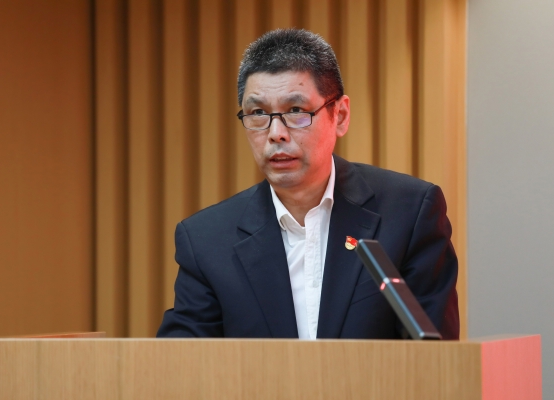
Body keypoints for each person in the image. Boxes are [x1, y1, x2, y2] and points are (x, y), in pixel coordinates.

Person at [157, 28, 459, 340]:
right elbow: (183, 361)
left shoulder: (408, 215)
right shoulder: (207, 241)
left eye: (296, 111)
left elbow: (435, 358)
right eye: (258, 113)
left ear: (340, 115)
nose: (276, 134)